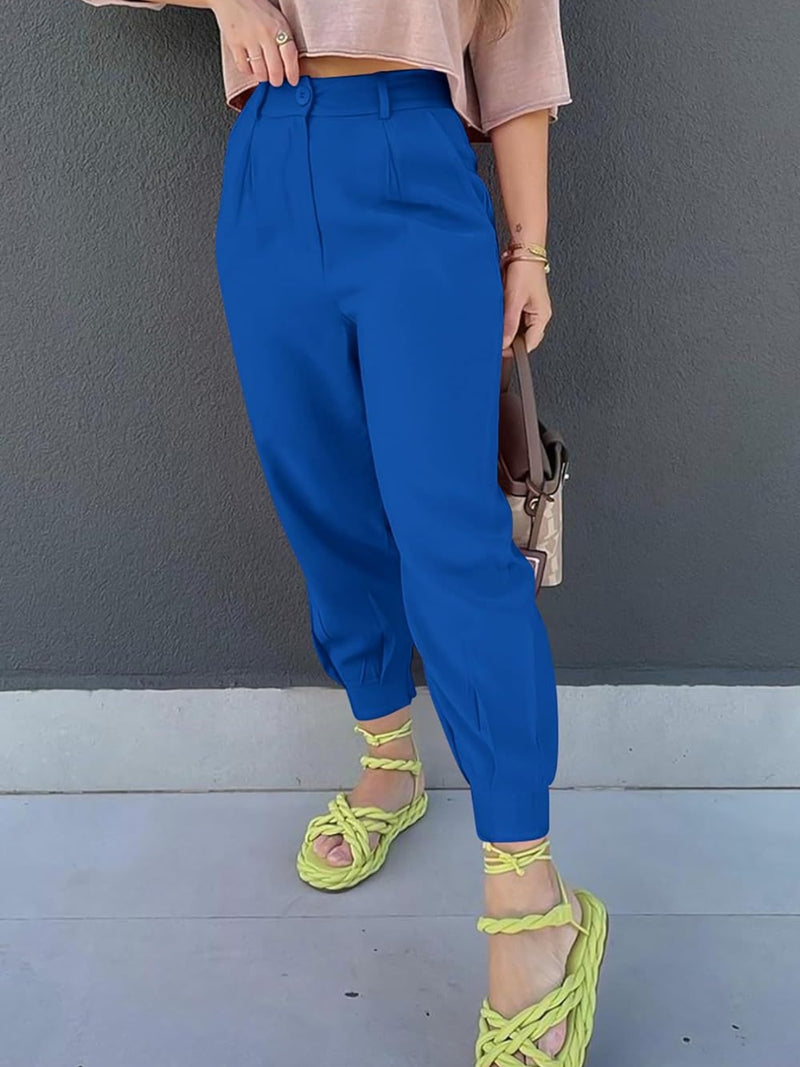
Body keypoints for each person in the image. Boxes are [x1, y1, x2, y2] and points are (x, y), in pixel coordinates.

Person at [79, 0, 608, 1062]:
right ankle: (387, 758)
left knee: (452, 536)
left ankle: (529, 893)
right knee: (320, 500)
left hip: (417, 154)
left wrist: (529, 249)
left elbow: (514, 52)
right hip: (270, 156)